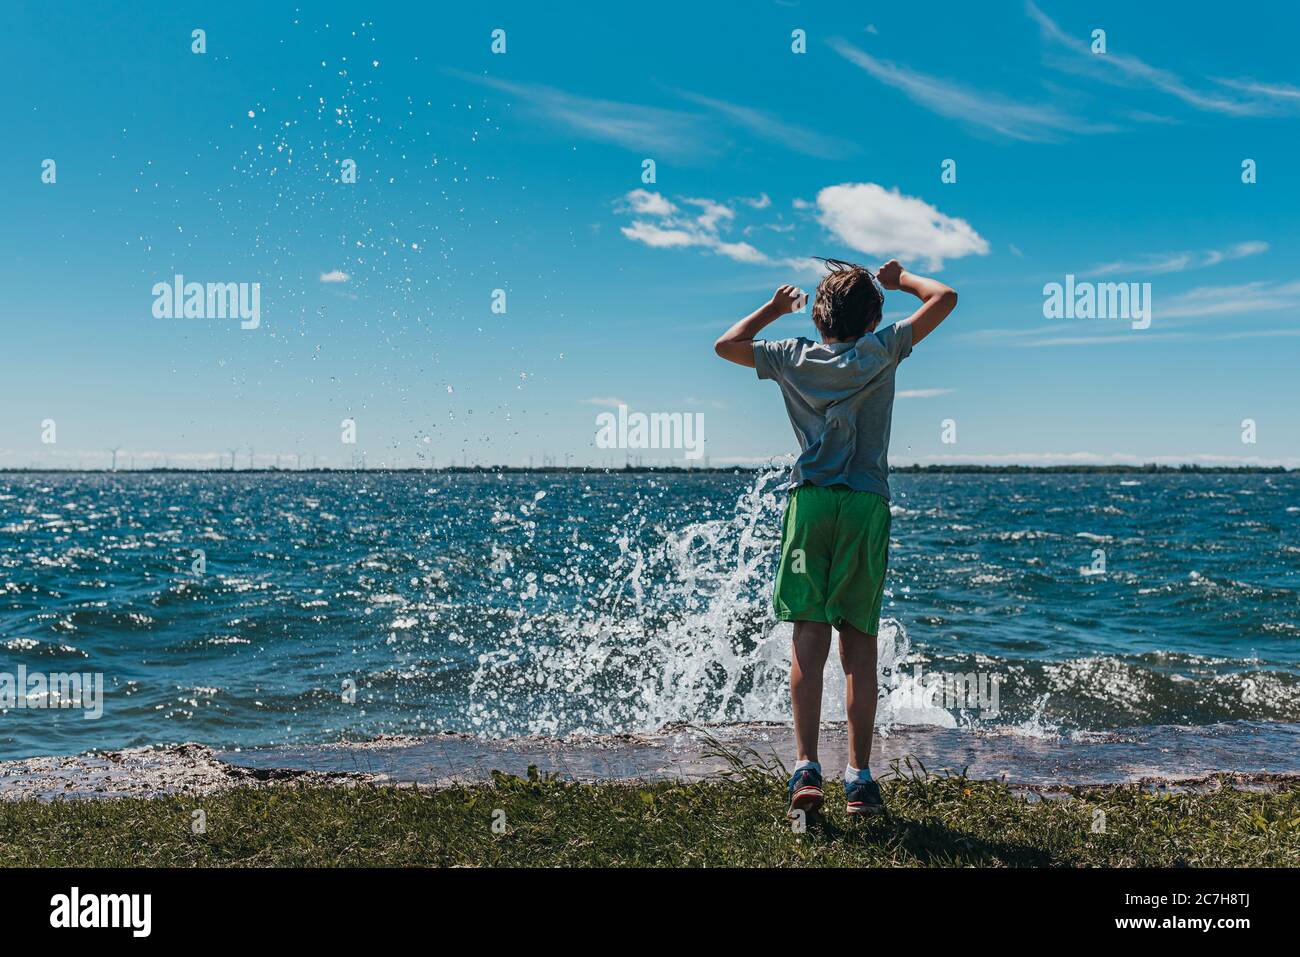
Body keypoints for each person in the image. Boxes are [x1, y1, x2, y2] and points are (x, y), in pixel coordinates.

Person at [713, 258, 958, 816]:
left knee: (808, 636)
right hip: (866, 504)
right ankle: (860, 778)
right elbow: (944, 298)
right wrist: (902, 281)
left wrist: (775, 310)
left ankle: (806, 768)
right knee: (858, 643)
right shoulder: (883, 348)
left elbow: (727, 345)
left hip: (811, 503)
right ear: (872, 317)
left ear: (819, 316)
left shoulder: (792, 356)